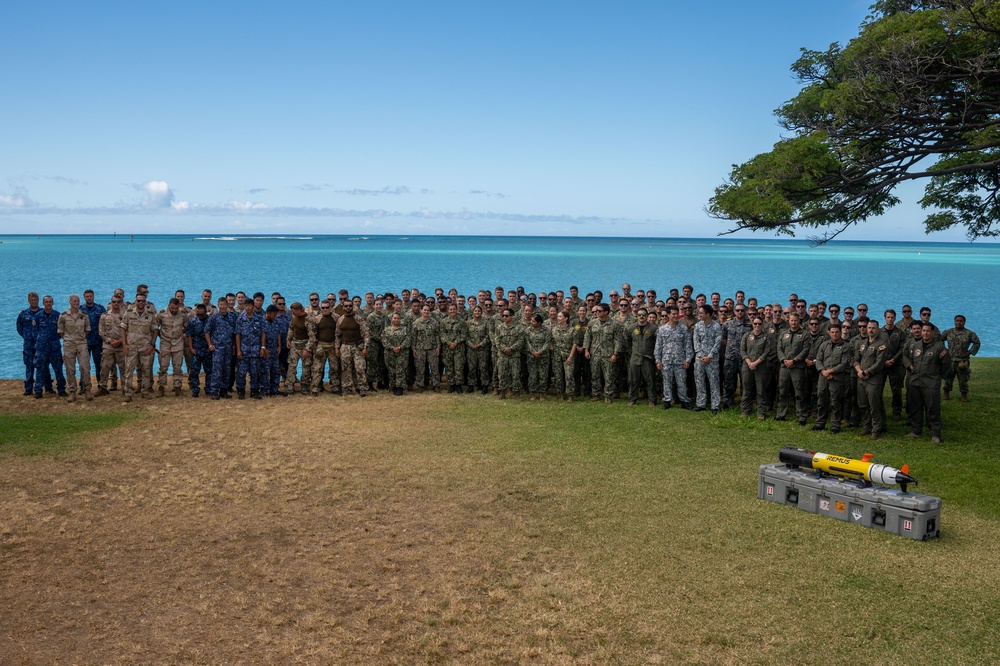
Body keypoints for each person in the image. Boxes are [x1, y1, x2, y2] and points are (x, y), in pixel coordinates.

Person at [905, 322, 950, 443]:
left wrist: (938, 376)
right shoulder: (915, 345)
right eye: (923, 331)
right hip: (915, 381)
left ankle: (936, 434)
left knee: (932, 409)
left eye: (928, 331)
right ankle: (916, 431)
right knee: (915, 407)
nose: (925, 333)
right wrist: (909, 365)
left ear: (933, 332)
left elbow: (946, 364)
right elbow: (906, 356)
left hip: (930, 383)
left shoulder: (939, 347)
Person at [813, 322, 852, 433]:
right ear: (829, 333)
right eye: (832, 332)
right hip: (823, 376)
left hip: (837, 378)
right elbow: (818, 359)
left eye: (837, 332)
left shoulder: (846, 347)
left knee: (836, 402)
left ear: (840, 333)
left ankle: (835, 425)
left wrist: (830, 371)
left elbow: (844, 363)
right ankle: (820, 423)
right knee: (821, 400)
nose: (835, 334)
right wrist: (823, 371)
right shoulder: (824, 345)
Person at [854, 319, 888, 440]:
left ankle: (876, 429)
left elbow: (879, 363)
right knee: (862, 404)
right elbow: (856, 359)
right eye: (869, 328)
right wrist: (859, 371)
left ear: (878, 329)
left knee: (874, 405)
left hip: (873, 379)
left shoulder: (882, 344)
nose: (870, 330)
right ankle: (867, 426)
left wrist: (867, 372)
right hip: (861, 378)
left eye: (873, 328)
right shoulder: (862, 343)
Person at [654, 305, 693, 409]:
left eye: (677, 314)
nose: (676, 316)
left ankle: (684, 401)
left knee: (681, 382)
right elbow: (658, 346)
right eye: (673, 314)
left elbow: (688, 345)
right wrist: (658, 360)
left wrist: (688, 359)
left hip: (680, 361)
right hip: (666, 360)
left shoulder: (684, 329)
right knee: (667, 381)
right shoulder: (662, 329)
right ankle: (667, 400)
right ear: (668, 315)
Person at [121, 292, 157, 402]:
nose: (140, 302)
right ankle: (128, 393)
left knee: (146, 370)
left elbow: (155, 330)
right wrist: (124, 344)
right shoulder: (129, 313)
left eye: (143, 300)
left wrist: (152, 345)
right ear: (135, 301)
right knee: (129, 370)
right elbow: (123, 328)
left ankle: (145, 391)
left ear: (145, 302)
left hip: (145, 347)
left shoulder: (150, 315)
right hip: (131, 346)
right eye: (138, 300)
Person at [58, 294, 93, 402]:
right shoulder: (63, 316)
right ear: (70, 302)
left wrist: (80, 338)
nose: (76, 303)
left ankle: (87, 390)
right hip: (69, 344)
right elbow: (60, 331)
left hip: (81, 343)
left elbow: (87, 329)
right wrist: (68, 339)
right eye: (74, 301)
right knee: (70, 369)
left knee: (85, 367)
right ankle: (72, 391)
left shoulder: (84, 315)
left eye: (78, 301)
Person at [775, 311, 809, 425]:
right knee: (782, 391)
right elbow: (779, 349)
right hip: (784, 367)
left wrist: (794, 360)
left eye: (795, 320)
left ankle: (802, 416)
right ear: (788, 321)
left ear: (799, 321)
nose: (793, 322)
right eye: (791, 320)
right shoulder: (784, 334)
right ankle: (781, 414)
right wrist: (784, 360)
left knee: (799, 392)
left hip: (797, 367)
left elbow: (805, 350)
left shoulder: (805, 334)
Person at [33, 295, 67, 398]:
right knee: (40, 369)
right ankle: (38, 390)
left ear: (52, 303)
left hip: (54, 347)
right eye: (46, 302)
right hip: (42, 348)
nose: (48, 303)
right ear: (43, 303)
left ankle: (61, 389)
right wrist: (41, 340)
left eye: (50, 301)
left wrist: (54, 340)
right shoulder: (38, 316)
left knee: (58, 369)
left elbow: (61, 330)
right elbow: (34, 332)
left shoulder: (58, 315)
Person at [335, 299, 370, 397]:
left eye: (350, 306)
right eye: (346, 306)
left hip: (357, 346)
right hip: (345, 346)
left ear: (352, 306)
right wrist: (337, 348)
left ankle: (362, 388)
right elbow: (337, 335)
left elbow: (366, 333)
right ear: (343, 307)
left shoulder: (359, 319)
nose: (348, 308)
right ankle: (347, 388)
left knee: (360, 368)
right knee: (346, 369)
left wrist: (365, 347)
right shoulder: (340, 319)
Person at [942, 315, 980, 402]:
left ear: (964, 322)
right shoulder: (948, 332)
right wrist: (944, 349)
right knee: (948, 378)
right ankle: (946, 394)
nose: (959, 322)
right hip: (950, 359)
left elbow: (977, 343)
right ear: (954, 321)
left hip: (962, 361)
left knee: (963, 379)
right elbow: (939, 340)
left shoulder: (969, 333)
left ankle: (964, 395)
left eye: (961, 321)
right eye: (957, 321)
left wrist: (970, 352)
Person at [692, 304, 723, 414]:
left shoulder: (716, 326)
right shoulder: (698, 326)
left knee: (714, 382)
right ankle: (701, 404)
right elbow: (696, 342)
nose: (699, 315)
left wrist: (709, 356)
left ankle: (715, 405)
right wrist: (701, 355)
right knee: (699, 381)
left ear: (708, 314)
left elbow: (718, 343)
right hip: (700, 359)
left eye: (701, 313)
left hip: (712, 359)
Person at [204, 297, 236, 400]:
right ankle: (214, 391)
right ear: (218, 305)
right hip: (217, 347)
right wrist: (210, 344)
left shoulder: (232, 317)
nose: (222, 307)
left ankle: (224, 390)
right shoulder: (214, 317)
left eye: (224, 305)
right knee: (216, 370)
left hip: (228, 347)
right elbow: (207, 332)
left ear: (227, 305)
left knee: (227, 370)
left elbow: (234, 334)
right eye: (220, 305)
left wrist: (233, 346)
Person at [721, 304, 752, 409]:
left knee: (745, 381)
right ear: (734, 311)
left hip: (744, 358)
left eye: (742, 310)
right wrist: (731, 347)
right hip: (730, 357)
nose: (740, 312)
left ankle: (745, 403)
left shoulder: (750, 325)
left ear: (745, 311)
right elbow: (724, 338)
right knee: (729, 381)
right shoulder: (727, 324)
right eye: (738, 310)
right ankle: (727, 402)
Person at [156, 298, 187, 397]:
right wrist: (161, 336)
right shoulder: (161, 314)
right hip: (165, 343)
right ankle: (161, 387)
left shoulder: (182, 314)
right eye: (172, 308)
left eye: (176, 308)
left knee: (177, 366)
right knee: (163, 366)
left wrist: (181, 333)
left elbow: (186, 326)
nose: (174, 310)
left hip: (177, 343)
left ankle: (177, 387)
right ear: (169, 305)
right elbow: (155, 327)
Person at [739, 317, 769, 419]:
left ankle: (761, 412)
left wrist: (755, 363)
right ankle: (745, 410)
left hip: (760, 366)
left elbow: (766, 352)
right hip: (747, 365)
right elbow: (743, 350)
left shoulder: (766, 337)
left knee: (760, 390)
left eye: (759, 324)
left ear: (762, 325)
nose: (757, 326)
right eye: (755, 323)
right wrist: (749, 362)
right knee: (747, 389)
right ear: (752, 324)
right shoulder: (747, 336)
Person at [628, 308, 658, 406]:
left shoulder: (653, 328)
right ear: (637, 316)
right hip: (635, 357)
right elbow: (628, 342)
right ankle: (632, 399)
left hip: (647, 358)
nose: (641, 317)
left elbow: (657, 343)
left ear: (647, 316)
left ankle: (652, 400)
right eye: (639, 315)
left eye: (644, 315)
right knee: (633, 380)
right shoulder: (631, 328)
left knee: (650, 380)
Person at [309, 300, 340, 396]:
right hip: (321, 346)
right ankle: (315, 388)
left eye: (327, 307)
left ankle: (335, 387)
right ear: (321, 308)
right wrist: (313, 347)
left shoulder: (336, 318)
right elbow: (313, 334)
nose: (325, 309)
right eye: (323, 308)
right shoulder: (316, 319)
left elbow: (338, 334)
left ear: (330, 307)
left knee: (334, 368)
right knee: (317, 368)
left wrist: (337, 347)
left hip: (332, 345)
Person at [97, 296, 126, 396]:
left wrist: (120, 341)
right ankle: (103, 387)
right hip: (108, 345)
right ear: (111, 303)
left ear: (121, 303)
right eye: (114, 302)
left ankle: (125, 388)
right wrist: (110, 340)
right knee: (105, 367)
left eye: (118, 302)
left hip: (121, 346)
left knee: (123, 368)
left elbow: (129, 330)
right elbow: (101, 330)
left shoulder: (125, 316)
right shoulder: (104, 315)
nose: (116, 304)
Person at [16, 292, 44, 396]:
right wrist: (26, 336)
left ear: (38, 300)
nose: (33, 301)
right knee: (29, 366)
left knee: (40, 367)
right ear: (29, 301)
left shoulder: (42, 312)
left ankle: (39, 388)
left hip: (40, 345)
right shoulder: (23, 314)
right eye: (31, 300)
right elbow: (19, 328)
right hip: (28, 345)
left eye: (35, 300)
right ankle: (28, 388)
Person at [494, 308, 524, 399]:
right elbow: (497, 340)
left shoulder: (519, 327)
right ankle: (502, 393)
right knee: (502, 374)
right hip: (502, 355)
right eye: (503, 316)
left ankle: (517, 393)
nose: (504, 317)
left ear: (512, 316)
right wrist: (504, 349)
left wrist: (511, 349)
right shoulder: (500, 327)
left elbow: (521, 341)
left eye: (507, 315)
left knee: (515, 375)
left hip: (514, 355)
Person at [439, 303, 468, 392]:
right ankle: (451, 385)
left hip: (459, 348)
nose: (452, 311)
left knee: (458, 367)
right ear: (448, 310)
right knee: (449, 367)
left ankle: (458, 385)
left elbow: (464, 335)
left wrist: (455, 343)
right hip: (447, 349)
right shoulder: (443, 322)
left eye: (454, 309)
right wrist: (449, 343)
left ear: (456, 310)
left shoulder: (462, 322)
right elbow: (442, 334)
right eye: (450, 309)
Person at [185, 303, 212, 397]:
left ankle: (208, 389)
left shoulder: (210, 320)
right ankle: (195, 389)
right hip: (196, 350)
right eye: (198, 314)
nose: (200, 316)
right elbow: (189, 336)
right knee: (194, 371)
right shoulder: (193, 322)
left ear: (205, 312)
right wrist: (191, 348)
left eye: (202, 314)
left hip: (207, 350)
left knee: (209, 371)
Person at [80, 289, 106, 385]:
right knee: (84, 365)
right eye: (87, 296)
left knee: (99, 364)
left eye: (90, 296)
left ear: (93, 296)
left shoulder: (100, 309)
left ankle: (101, 385)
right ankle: (83, 386)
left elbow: (105, 323)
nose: (89, 298)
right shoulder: (80, 309)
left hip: (98, 342)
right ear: (84, 297)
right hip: (84, 341)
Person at [550, 310, 576, 401]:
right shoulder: (554, 329)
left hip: (568, 356)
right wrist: (551, 346)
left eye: (560, 317)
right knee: (558, 376)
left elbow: (575, 344)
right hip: (557, 356)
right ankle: (560, 394)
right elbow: (550, 339)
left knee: (569, 376)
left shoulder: (572, 330)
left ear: (566, 318)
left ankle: (570, 395)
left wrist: (571, 356)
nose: (558, 318)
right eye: (558, 317)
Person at [524, 313, 552, 400]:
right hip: (531, 356)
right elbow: (526, 342)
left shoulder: (547, 330)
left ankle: (542, 394)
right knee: (532, 375)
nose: (531, 322)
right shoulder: (528, 330)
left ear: (539, 323)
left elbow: (548, 343)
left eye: (533, 321)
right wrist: (533, 352)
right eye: (531, 320)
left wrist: (540, 352)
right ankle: (533, 393)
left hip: (543, 356)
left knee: (543, 375)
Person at [383, 312, 411, 395]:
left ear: (400, 319)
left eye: (398, 318)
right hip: (389, 353)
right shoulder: (386, 329)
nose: (396, 320)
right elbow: (384, 340)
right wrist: (392, 347)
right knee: (391, 370)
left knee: (400, 370)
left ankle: (400, 387)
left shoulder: (405, 329)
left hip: (402, 353)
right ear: (391, 319)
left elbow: (408, 339)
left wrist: (400, 347)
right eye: (394, 318)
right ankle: (393, 386)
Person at [466, 306, 491, 394]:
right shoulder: (468, 323)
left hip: (483, 349)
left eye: (479, 311)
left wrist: (480, 344)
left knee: (483, 368)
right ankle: (471, 385)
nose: (477, 312)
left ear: (481, 312)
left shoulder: (486, 323)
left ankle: (484, 385)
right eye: (475, 311)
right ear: (473, 312)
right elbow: (466, 336)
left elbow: (488, 336)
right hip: (471, 349)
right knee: (472, 368)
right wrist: (471, 345)